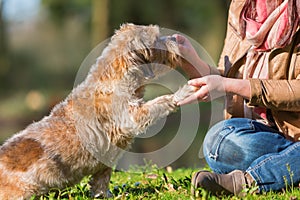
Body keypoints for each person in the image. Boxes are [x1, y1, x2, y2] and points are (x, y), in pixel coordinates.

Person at [174, 0, 300, 196]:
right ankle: (289, 166)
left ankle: (249, 181)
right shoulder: (242, 7)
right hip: (266, 136)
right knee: (218, 144)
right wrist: (192, 62)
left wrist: (232, 85)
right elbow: (230, 76)